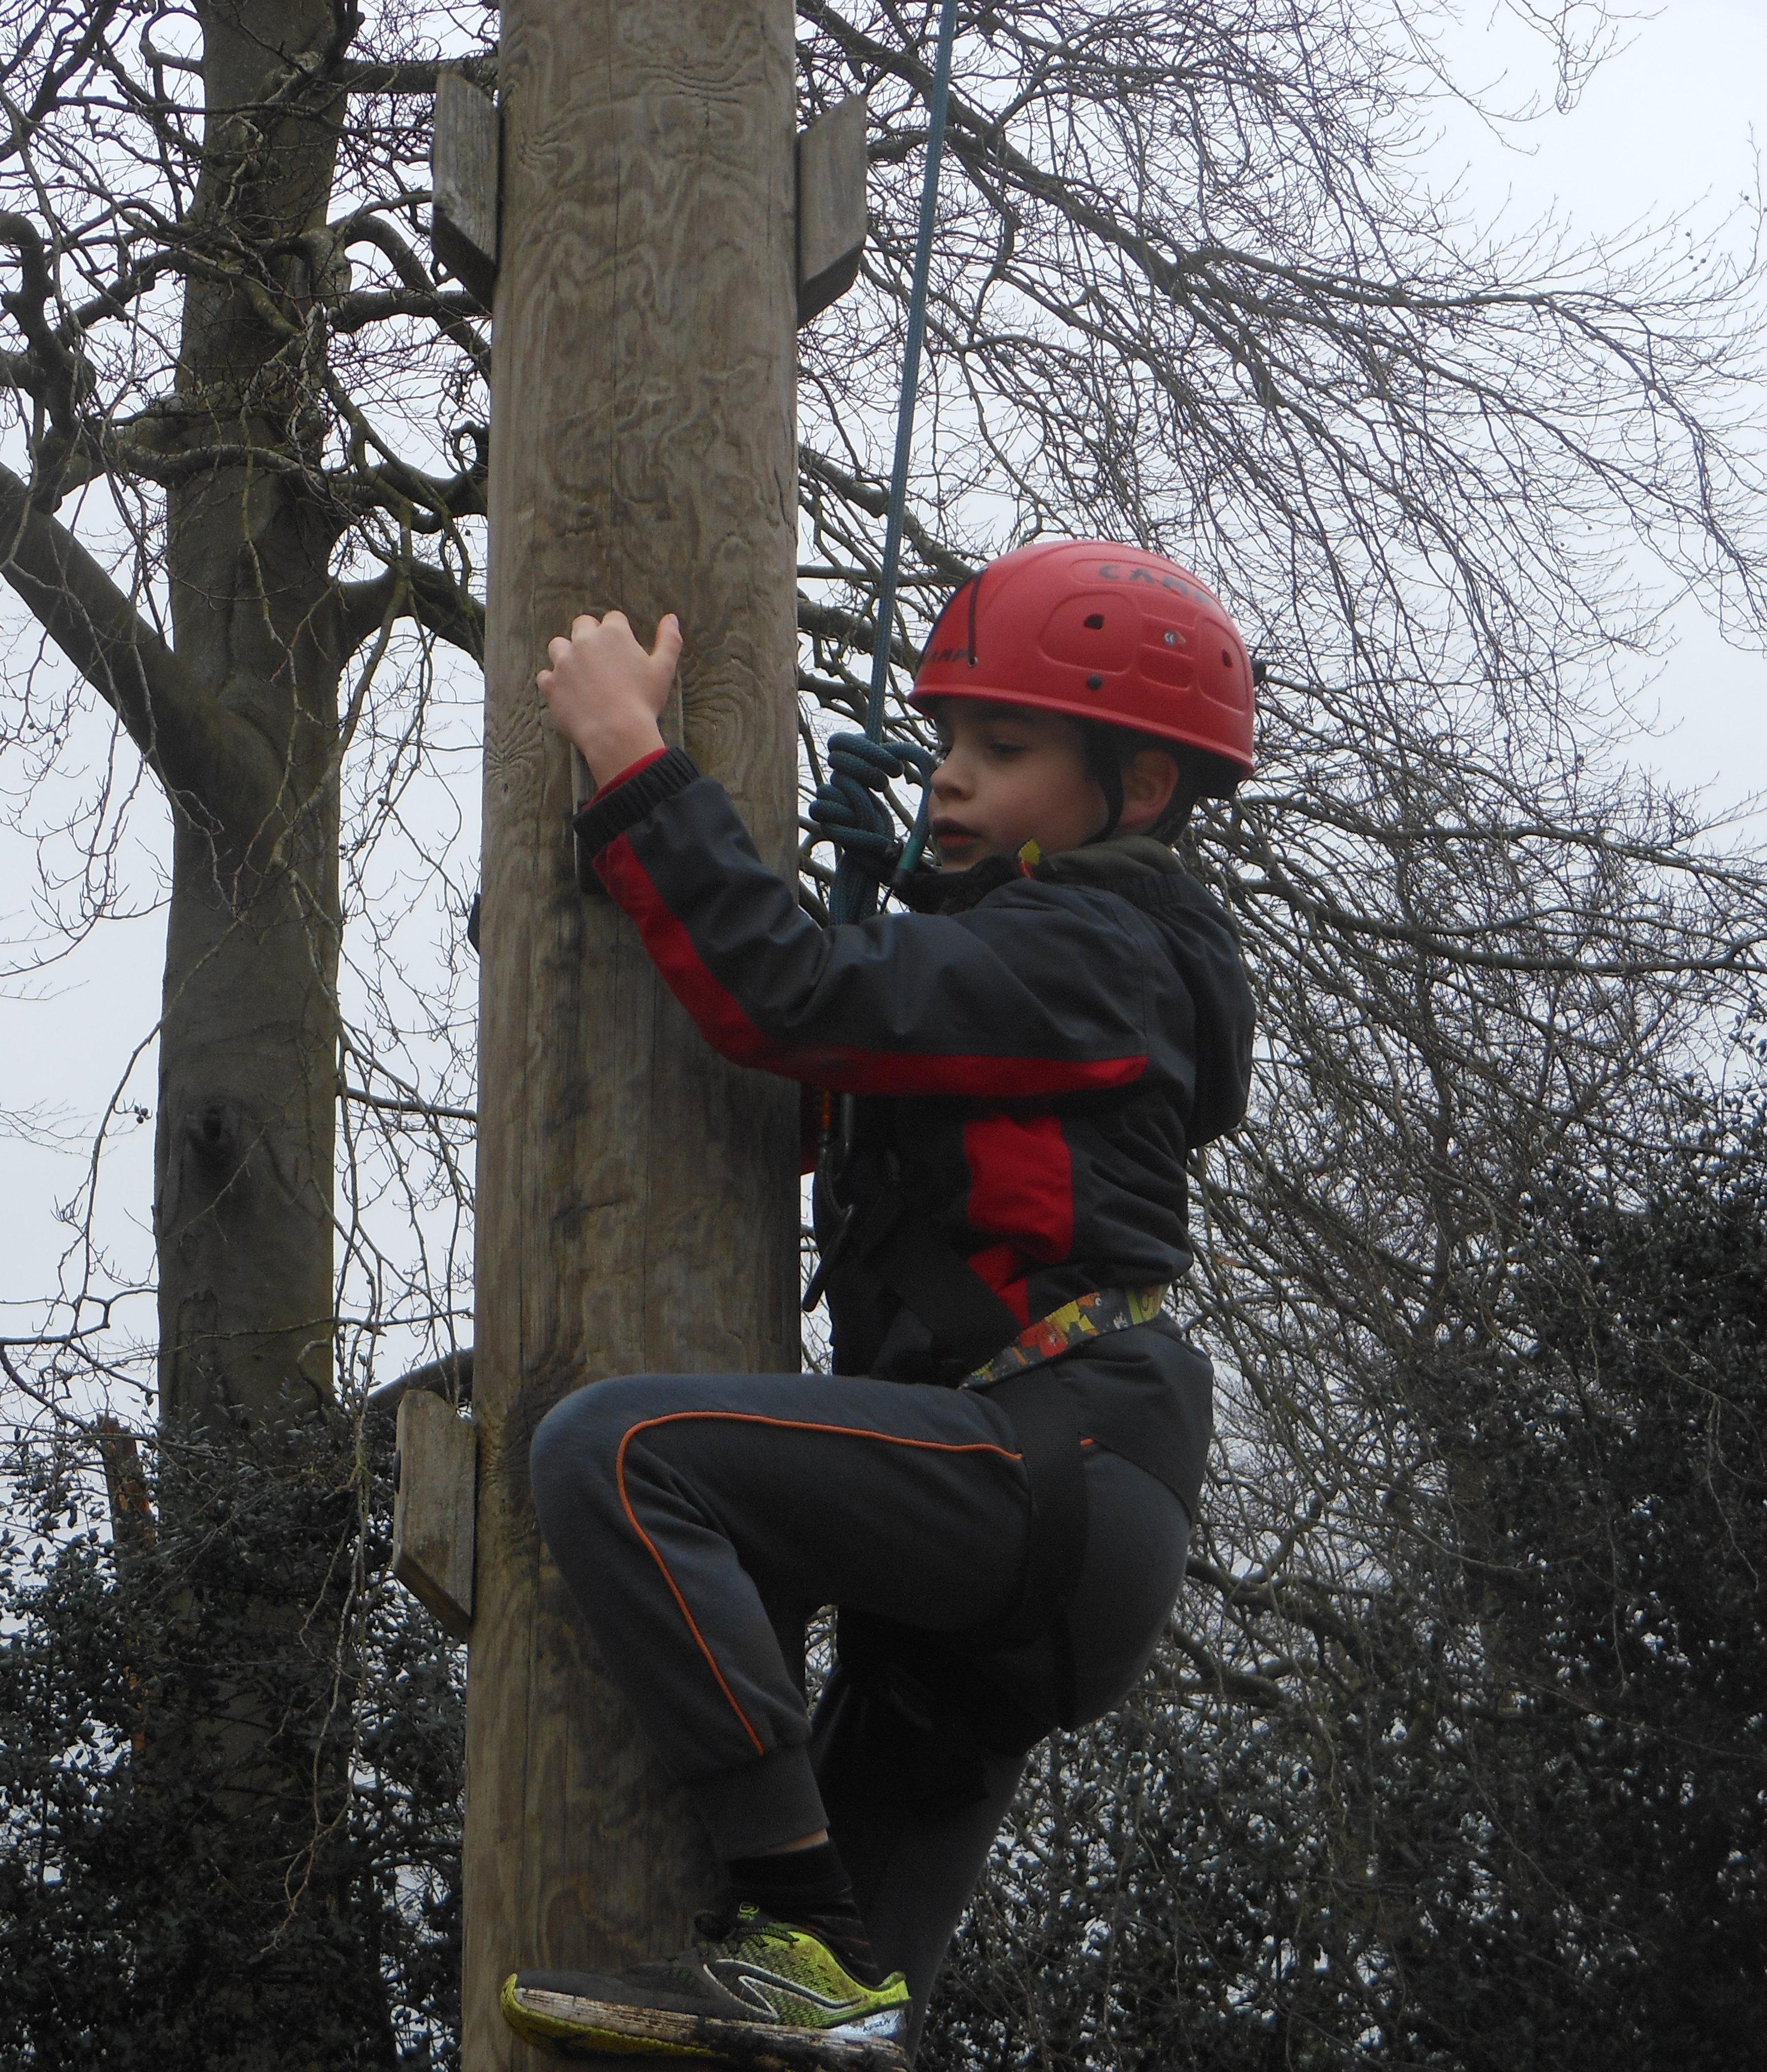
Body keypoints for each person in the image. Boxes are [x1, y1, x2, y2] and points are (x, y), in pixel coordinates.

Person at [497, 542, 1257, 2067]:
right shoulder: (1038, 968)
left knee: (619, 1458)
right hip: (1054, 1522)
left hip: (1055, 1464)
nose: (952, 774)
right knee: (835, 2042)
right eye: (951, 739)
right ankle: (826, 1978)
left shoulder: (1102, 957)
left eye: (1005, 747)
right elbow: (822, 1075)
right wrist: (838, 899)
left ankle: (794, 1926)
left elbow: (794, 1000)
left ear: (1140, 791)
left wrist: (636, 763)